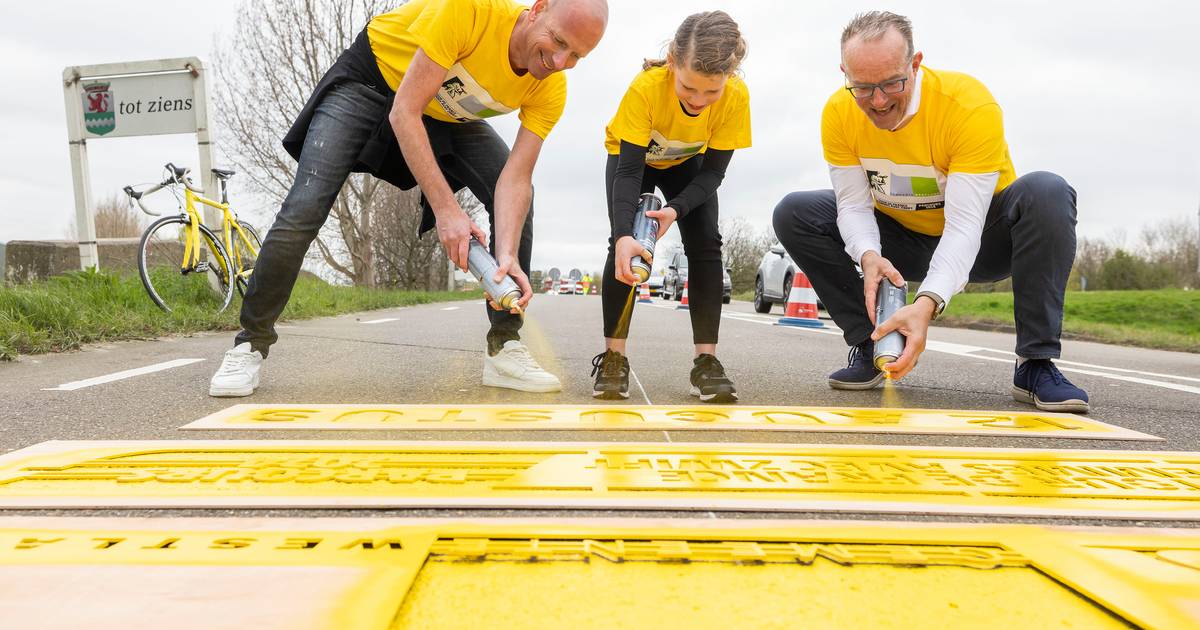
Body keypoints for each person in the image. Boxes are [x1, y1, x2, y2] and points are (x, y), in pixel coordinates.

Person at [208, 0, 608, 397]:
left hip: (443, 114)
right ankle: (249, 344)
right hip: (374, 82)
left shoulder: (550, 87)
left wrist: (506, 257)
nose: (559, 60)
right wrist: (447, 209)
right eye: (557, 41)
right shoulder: (470, 12)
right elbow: (404, 112)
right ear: (537, 9)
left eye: (577, 55)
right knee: (305, 207)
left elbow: (515, 179)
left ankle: (504, 347)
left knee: (522, 202)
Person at [772, 11, 1089, 413]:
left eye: (892, 83)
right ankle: (874, 344)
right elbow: (852, 204)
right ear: (845, 74)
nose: (879, 100)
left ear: (915, 63)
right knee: (795, 211)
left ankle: (1035, 364)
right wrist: (868, 255)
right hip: (903, 240)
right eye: (864, 88)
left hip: (983, 242)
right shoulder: (839, 112)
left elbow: (964, 224)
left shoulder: (968, 105)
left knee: (1047, 190)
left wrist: (926, 304)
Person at [591, 11, 751, 403]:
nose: (698, 101)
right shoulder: (646, 88)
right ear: (674, 63)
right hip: (634, 161)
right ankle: (614, 358)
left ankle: (706, 363)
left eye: (710, 92)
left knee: (707, 246)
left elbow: (713, 173)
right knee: (624, 246)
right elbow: (628, 172)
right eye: (688, 89)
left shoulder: (736, 97)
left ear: (729, 77)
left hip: (688, 165)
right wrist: (627, 234)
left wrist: (675, 210)